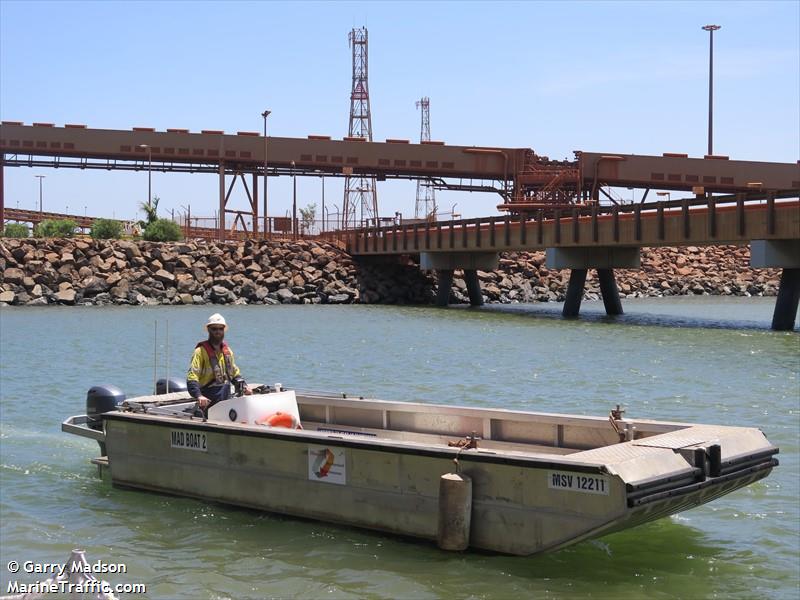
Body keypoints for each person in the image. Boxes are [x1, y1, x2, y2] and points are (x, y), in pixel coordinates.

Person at [187, 313, 251, 416]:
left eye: (220, 329)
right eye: (214, 329)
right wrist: (199, 396)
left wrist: (244, 386)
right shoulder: (200, 352)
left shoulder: (227, 352)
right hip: (207, 401)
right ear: (208, 329)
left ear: (224, 330)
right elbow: (192, 377)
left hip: (225, 400)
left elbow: (234, 374)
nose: (218, 331)